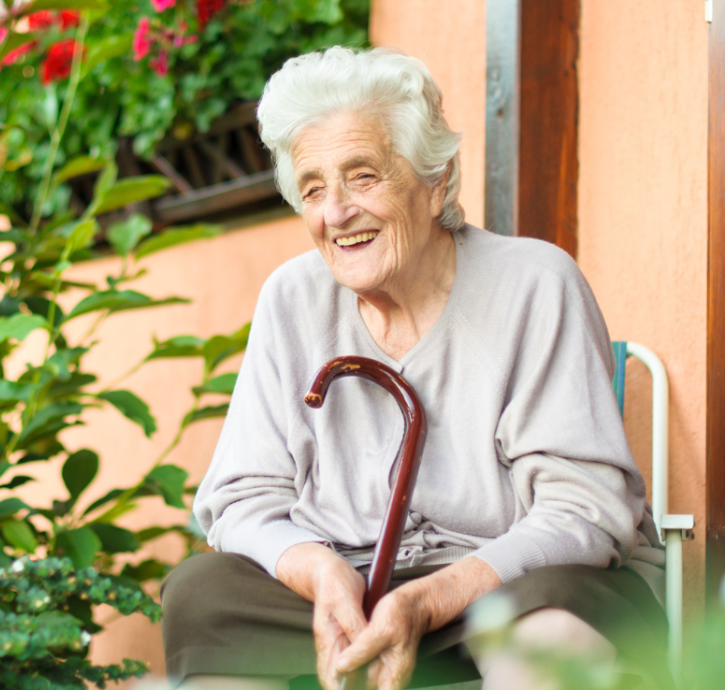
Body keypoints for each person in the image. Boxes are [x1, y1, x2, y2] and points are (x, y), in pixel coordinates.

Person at [160, 47, 670, 690]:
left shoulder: (534, 285)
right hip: (351, 592)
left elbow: (585, 510)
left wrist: (431, 598)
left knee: (545, 624)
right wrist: (322, 575)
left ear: (436, 181)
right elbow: (241, 498)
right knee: (202, 595)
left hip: (503, 585)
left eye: (363, 176)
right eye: (313, 188)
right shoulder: (291, 300)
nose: (336, 212)